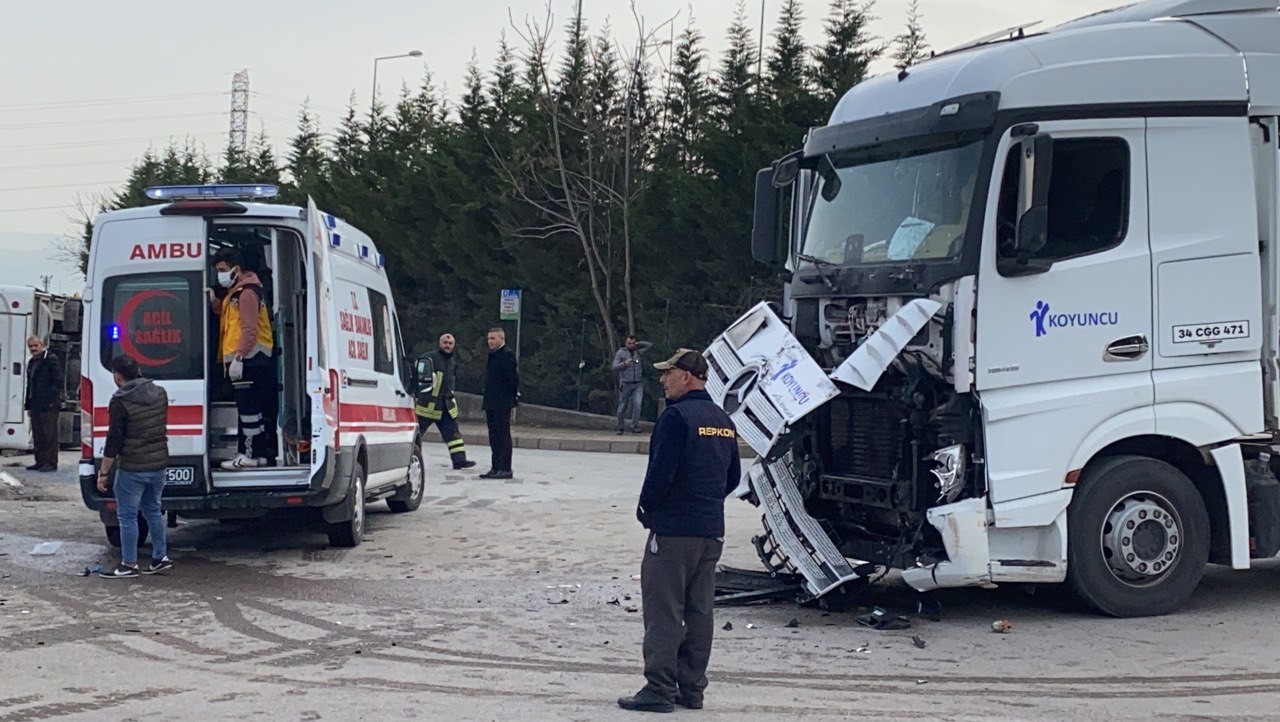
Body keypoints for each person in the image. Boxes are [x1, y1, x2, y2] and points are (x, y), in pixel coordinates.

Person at [618, 349, 741, 714]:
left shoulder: (676, 418)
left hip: (673, 533)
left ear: (686, 377)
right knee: (700, 610)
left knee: (664, 610)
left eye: (667, 373)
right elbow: (732, 477)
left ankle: (659, 688)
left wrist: (646, 510)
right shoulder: (722, 419)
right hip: (710, 530)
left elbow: (659, 474)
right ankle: (692, 688)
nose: (661, 379)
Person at [96, 355, 172, 579]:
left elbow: (114, 439)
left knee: (127, 516)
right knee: (153, 511)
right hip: (158, 464)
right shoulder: (160, 393)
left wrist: (104, 472)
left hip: (133, 467)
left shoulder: (120, 401)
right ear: (138, 370)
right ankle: (160, 558)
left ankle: (129, 564)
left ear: (117, 377)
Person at [207, 248, 277, 470]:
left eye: (222, 270)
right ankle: (259, 455)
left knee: (248, 411)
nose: (220, 275)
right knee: (253, 410)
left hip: (250, 359)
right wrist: (214, 302)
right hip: (252, 360)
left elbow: (249, 330)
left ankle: (247, 454)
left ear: (236, 269)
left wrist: (239, 357)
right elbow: (230, 319)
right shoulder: (237, 293)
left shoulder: (246, 293)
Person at [414, 333, 476, 470]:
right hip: (428, 405)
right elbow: (419, 374)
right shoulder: (429, 357)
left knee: (454, 434)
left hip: (446, 405)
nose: (447, 346)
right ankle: (409, 458)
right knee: (416, 434)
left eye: (450, 343)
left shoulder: (452, 361)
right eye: (445, 343)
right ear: (439, 343)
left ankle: (459, 461)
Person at [480, 327, 518, 480]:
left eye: (493, 338)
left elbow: (513, 380)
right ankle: (496, 467)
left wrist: (510, 396)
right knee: (494, 436)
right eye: (489, 338)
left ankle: (505, 468)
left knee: (503, 435)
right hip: (491, 401)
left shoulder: (507, 355)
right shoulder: (493, 355)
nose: (490, 341)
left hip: (502, 401)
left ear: (502, 339)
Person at [24, 335, 62, 472]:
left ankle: (51, 462)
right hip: (35, 403)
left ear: (42, 345)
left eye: (36, 345)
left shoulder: (51, 360)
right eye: (31, 346)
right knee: (38, 434)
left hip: (49, 404)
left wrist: (52, 400)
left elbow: (57, 381)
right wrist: (28, 404)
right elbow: (30, 384)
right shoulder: (32, 363)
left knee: (49, 434)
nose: (33, 349)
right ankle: (40, 461)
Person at [612, 334, 652, 435]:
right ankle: (620, 427)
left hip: (638, 383)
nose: (631, 345)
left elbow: (649, 345)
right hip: (625, 383)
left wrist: (639, 343)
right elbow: (614, 367)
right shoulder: (621, 353)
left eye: (633, 343)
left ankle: (634, 425)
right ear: (625, 343)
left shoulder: (638, 352)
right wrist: (624, 364)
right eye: (629, 343)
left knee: (638, 404)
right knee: (622, 406)